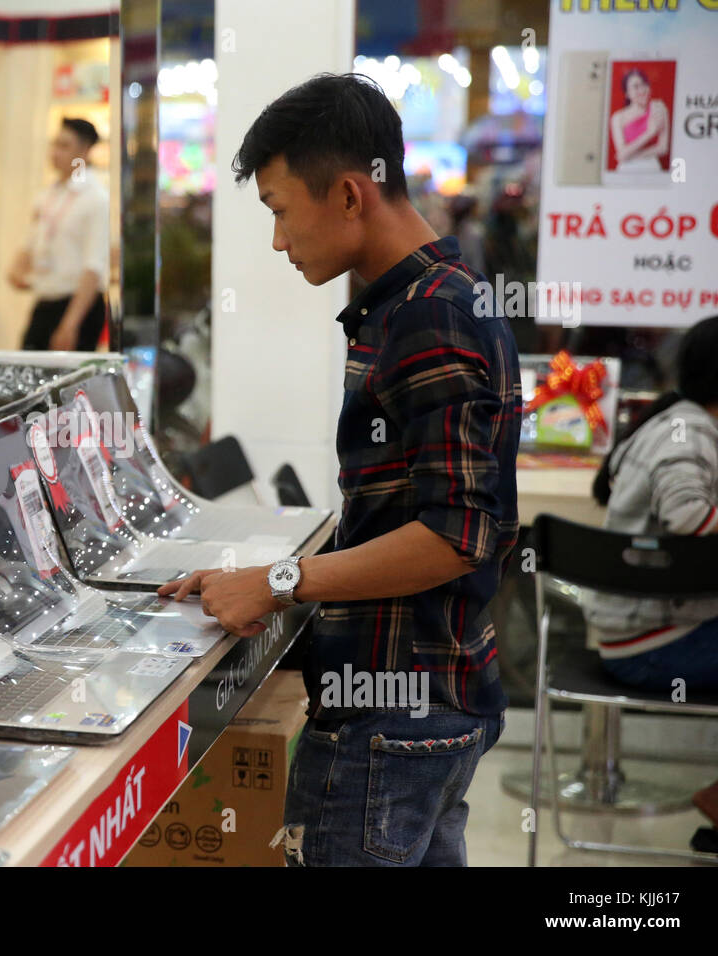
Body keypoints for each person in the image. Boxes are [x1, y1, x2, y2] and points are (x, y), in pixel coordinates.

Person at [159, 73, 521, 866]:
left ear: (352, 195)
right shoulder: (426, 302)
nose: (280, 241)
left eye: (282, 212)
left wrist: (281, 582)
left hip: (396, 714)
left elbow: (455, 536)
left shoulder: (433, 315)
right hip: (428, 700)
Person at [586, 313, 718, 858]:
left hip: (648, 628)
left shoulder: (681, 421)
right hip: (656, 640)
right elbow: (688, 516)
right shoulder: (691, 430)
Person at [8, 118, 109, 352]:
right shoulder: (48, 196)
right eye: (55, 144)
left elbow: (93, 267)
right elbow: (30, 244)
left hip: (77, 307)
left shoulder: (96, 199)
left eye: (64, 146)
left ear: (84, 151)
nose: (55, 152)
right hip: (45, 301)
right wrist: (17, 269)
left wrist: (70, 324)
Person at [609, 67, 669, 172]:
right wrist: (650, 133)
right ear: (627, 93)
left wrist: (631, 156)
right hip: (626, 169)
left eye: (644, 84)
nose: (642, 90)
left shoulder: (659, 108)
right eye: (636, 87)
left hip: (651, 167)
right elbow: (621, 153)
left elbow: (663, 147)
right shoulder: (618, 117)